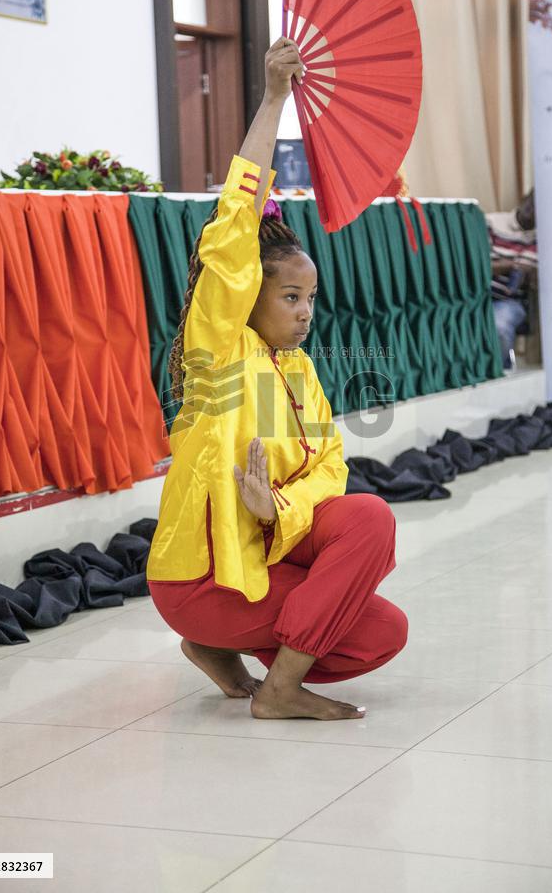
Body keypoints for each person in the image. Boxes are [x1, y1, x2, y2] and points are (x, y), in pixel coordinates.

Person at [147, 37, 408, 721]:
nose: (304, 312)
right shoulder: (217, 346)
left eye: (310, 299)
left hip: (267, 553)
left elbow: (329, 465)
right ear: (247, 294)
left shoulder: (300, 369)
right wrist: (273, 99)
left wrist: (278, 511)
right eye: (290, 297)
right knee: (353, 579)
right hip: (204, 577)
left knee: (379, 590)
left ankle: (224, 653)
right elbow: (235, 225)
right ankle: (278, 686)